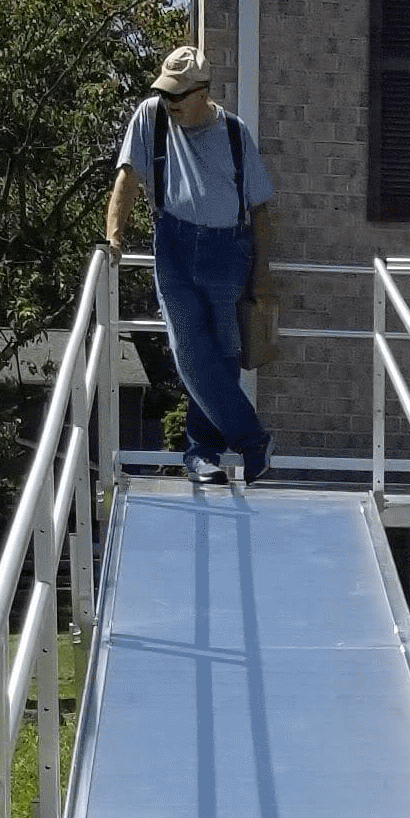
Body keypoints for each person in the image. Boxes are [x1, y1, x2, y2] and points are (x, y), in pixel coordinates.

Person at [106, 45, 276, 488]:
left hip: (228, 250)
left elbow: (260, 211)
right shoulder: (151, 116)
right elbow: (127, 177)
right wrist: (114, 237)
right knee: (188, 352)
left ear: (203, 92)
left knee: (223, 355)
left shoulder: (236, 133)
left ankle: (203, 453)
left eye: (178, 96)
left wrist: (261, 276)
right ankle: (252, 440)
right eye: (165, 93)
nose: (170, 103)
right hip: (174, 246)